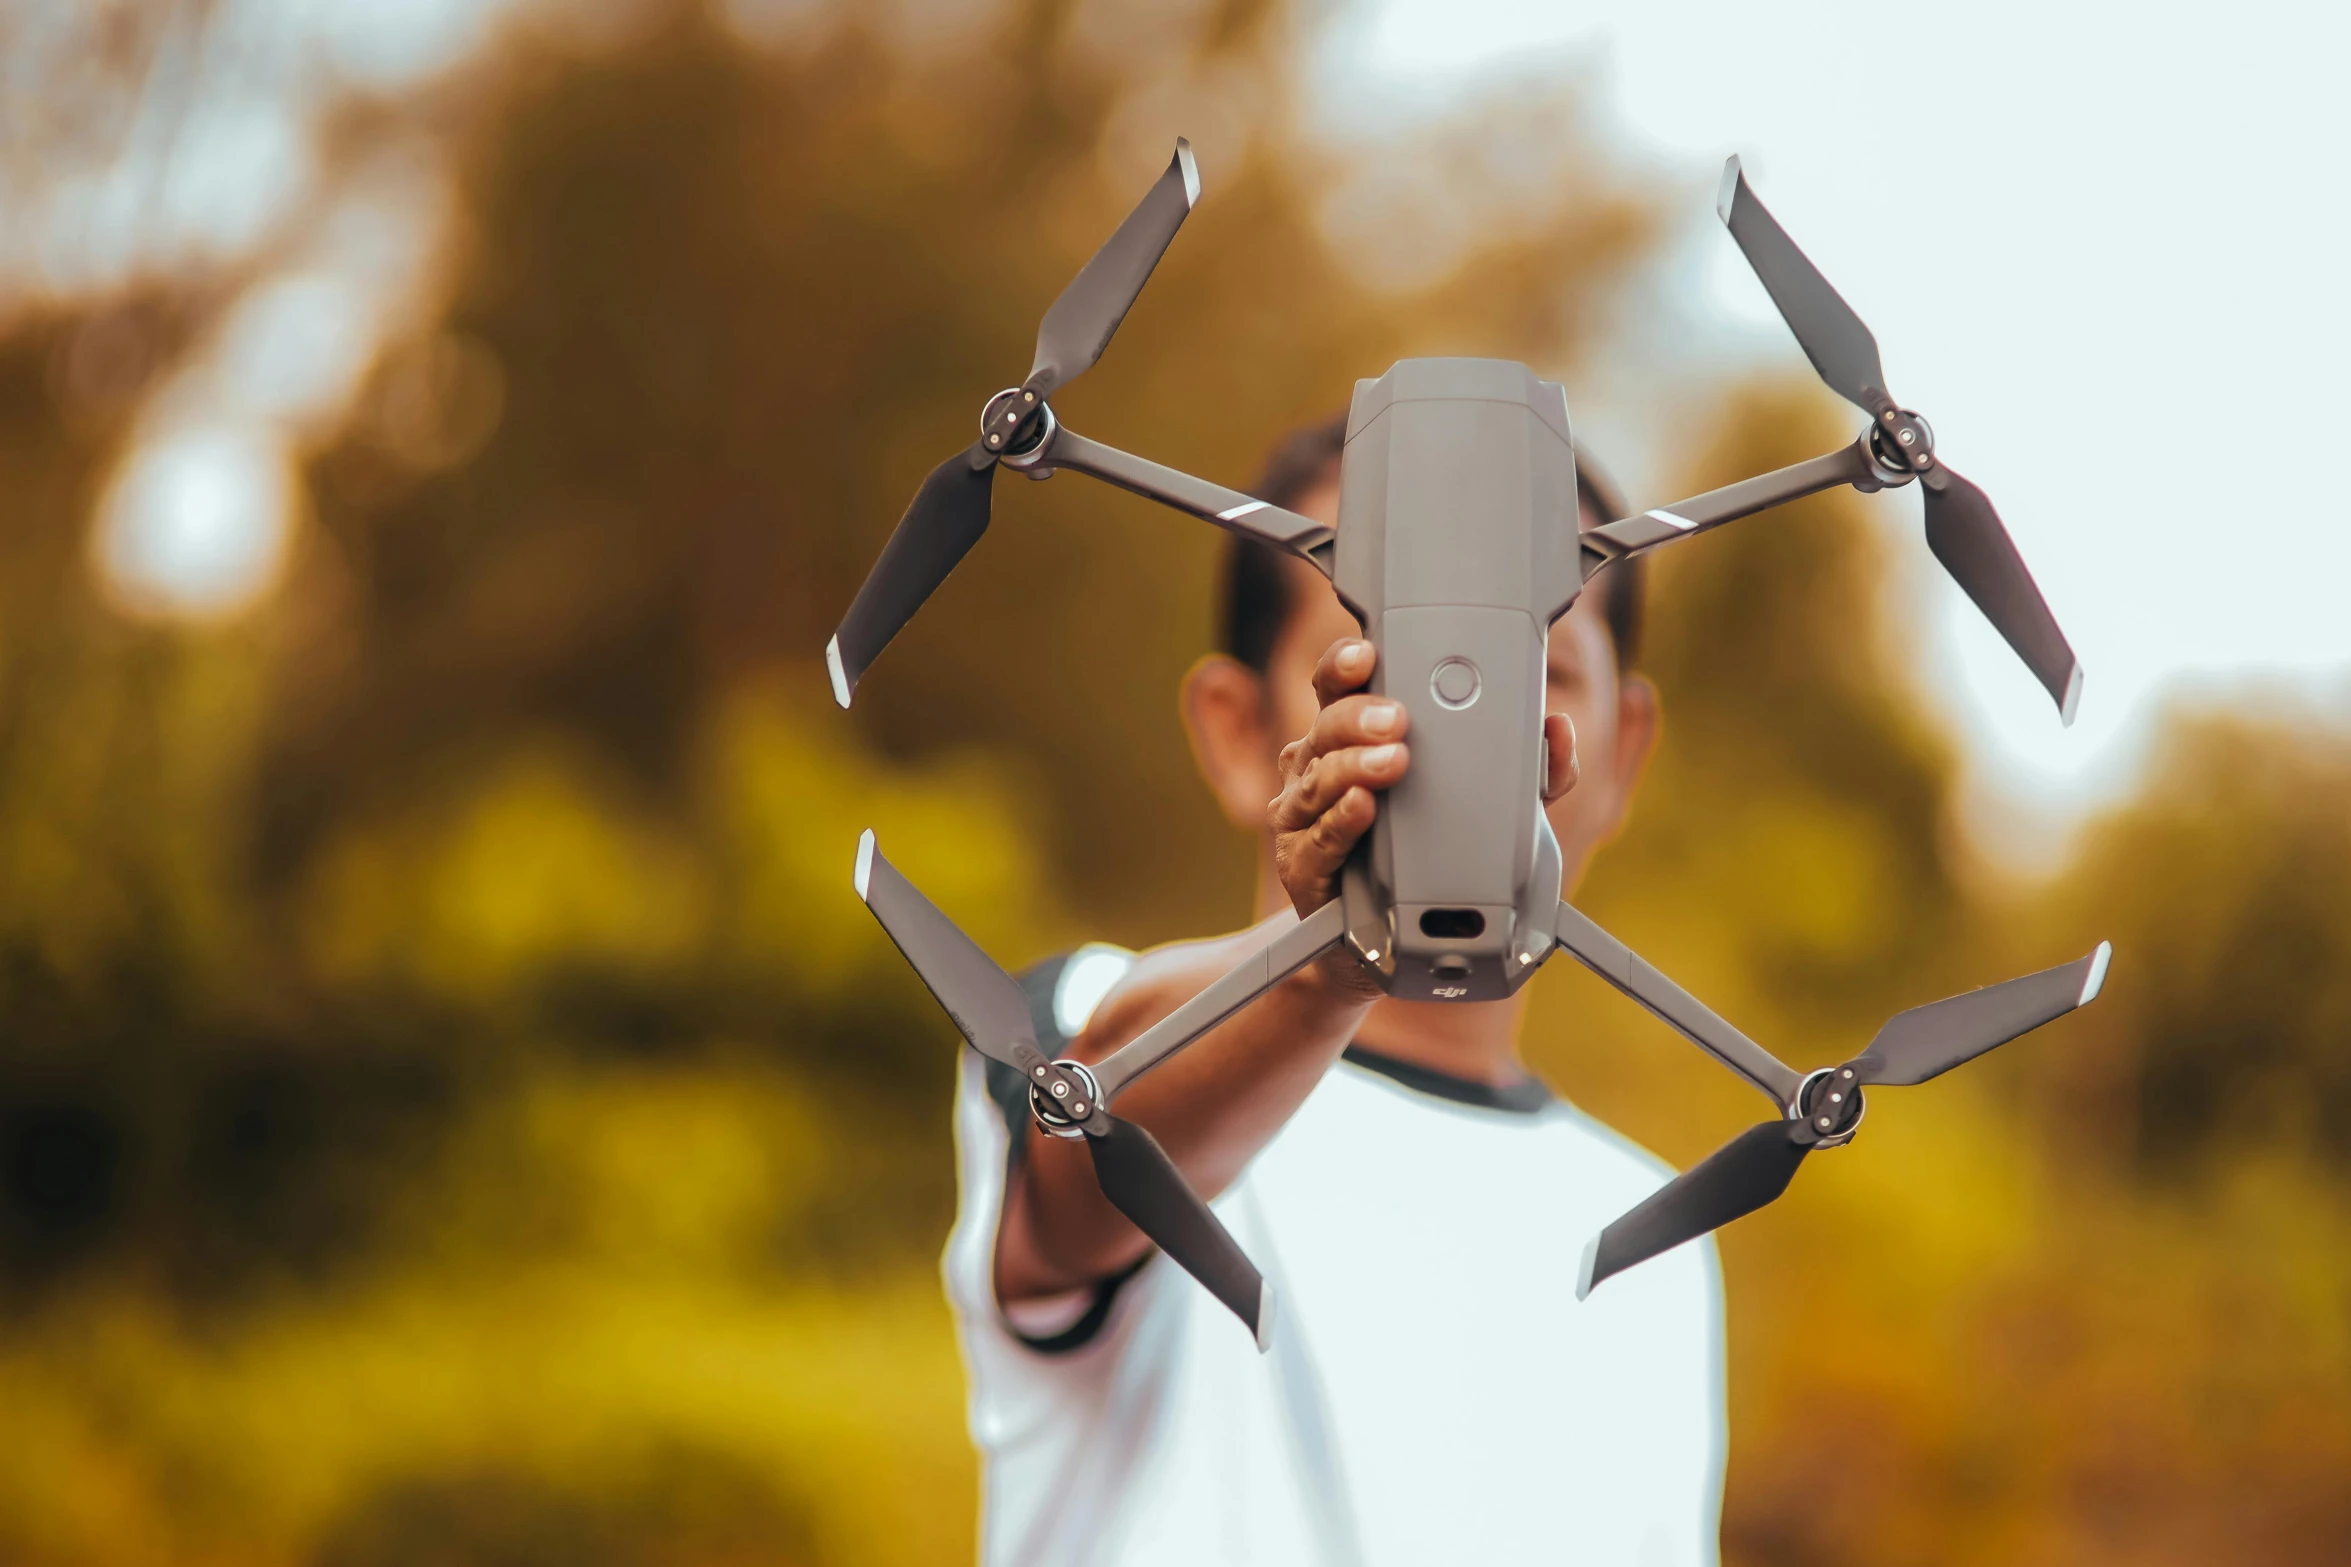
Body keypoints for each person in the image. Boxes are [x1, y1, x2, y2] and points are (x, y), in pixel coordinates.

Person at [941, 412, 1724, 1565]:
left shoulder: (1658, 1234)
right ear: (1238, 729)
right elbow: (1092, 1161)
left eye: (1532, 670)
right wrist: (1333, 959)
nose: (1469, 727)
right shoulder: (1079, 1025)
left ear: (1619, 753)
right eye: (1391, 660)